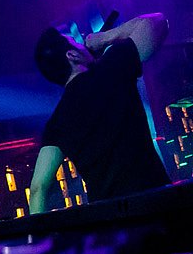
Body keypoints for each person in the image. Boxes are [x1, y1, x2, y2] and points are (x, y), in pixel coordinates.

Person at [28, 13, 171, 214]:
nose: (84, 44)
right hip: (157, 204)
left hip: (110, 221)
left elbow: (38, 188)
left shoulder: (57, 122)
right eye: (77, 43)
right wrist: (104, 38)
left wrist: (40, 233)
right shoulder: (111, 68)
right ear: (72, 55)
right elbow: (157, 23)